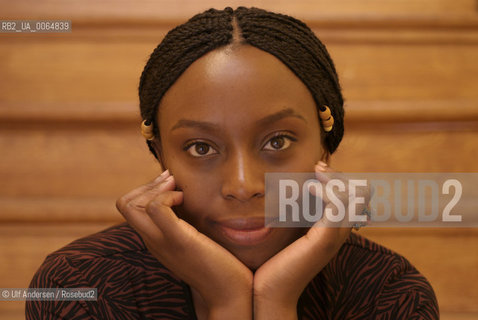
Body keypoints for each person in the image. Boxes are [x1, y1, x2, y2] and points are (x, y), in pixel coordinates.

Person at [26, 7, 439, 319]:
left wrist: (274, 302)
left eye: (277, 141)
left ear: (325, 145)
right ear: (161, 154)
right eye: (201, 148)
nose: (243, 185)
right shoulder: (79, 284)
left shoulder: (387, 292)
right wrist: (227, 301)